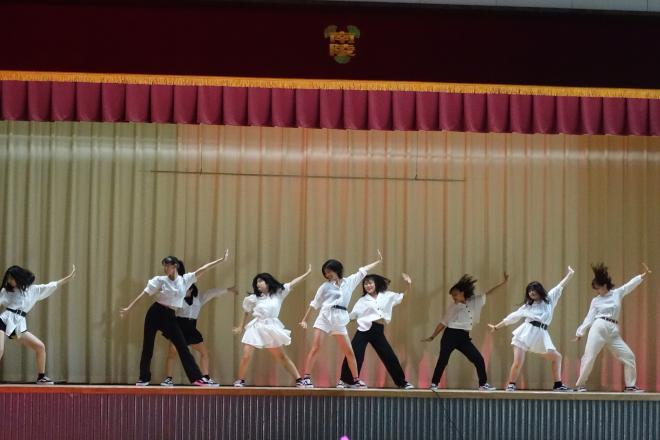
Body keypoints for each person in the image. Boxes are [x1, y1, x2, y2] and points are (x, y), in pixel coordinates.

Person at [120, 250, 228, 386]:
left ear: (175, 266)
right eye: (164, 266)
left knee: (182, 346)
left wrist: (221, 260)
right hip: (155, 312)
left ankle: (196, 378)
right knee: (148, 345)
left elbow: (203, 269)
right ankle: (144, 377)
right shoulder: (160, 280)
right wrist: (129, 308)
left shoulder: (185, 280)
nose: (166, 269)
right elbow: (144, 293)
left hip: (170, 315)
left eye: (168, 266)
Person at [299, 251, 383, 388]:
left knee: (349, 351)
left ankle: (355, 380)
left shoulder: (349, 282)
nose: (327, 274)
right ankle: (306, 378)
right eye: (325, 273)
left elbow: (363, 271)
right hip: (325, 316)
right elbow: (314, 304)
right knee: (315, 347)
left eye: (329, 271)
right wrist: (304, 320)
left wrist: (378, 262)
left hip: (340, 318)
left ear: (336, 269)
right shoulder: (324, 287)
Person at [489, 266, 575, 391]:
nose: (531, 292)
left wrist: (570, 274)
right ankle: (511, 384)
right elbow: (512, 317)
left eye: (533, 290)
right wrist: (496, 327)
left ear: (539, 290)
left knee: (557, 357)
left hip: (541, 335)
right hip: (526, 333)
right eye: (529, 291)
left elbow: (560, 286)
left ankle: (558, 385)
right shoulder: (527, 306)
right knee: (518, 361)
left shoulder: (549, 300)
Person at [573, 263, 652, 392]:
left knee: (629, 356)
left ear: (605, 285)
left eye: (598, 288)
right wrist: (580, 332)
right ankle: (580, 385)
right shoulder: (596, 300)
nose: (597, 291)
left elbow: (629, 285)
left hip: (613, 330)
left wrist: (642, 276)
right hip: (599, 327)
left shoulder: (617, 293)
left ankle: (630, 386)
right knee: (589, 356)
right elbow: (589, 317)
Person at [422, 272, 508, 390]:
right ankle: (434, 384)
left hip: (464, 337)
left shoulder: (474, 301)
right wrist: (433, 336)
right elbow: (443, 323)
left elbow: (489, 293)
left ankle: (483, 385)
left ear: (462, 293)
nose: (453, 297)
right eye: (452, 296)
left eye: (455, 295)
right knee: (443, 359)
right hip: (450, 335)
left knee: (478, 359)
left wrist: (503, 283)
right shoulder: (453, 307)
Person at [160, 259, 237, 386]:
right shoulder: (178, 298)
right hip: (179, 327)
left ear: (192, 289)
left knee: (204, 353)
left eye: (188, 288)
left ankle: (206, 377)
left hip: (191, 328)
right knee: (172, 353)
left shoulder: (198, 298)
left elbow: (212, 293)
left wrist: (228, 289)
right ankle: (168, 379)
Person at [232, 265, 311, 387]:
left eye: (260, 281)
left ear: (268, 282)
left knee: (282, 356)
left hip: (271, 327)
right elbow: (246, 311)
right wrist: (241, 326)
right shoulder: (253, 298)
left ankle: (299, 380)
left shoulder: (279, 293)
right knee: (246, 355)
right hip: (256, 326)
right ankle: (240, 380)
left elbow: (292, 283)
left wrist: (307, 274)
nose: (258, 284)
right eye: (256, 282)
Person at [0, 264, 76, 384]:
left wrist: (68, 278)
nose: (9, 281)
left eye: (11, 278)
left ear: (18, 277)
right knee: (0, 349)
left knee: (40, 347)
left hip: (18, 325)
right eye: (8, 278)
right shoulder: (6, 291)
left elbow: (52, 285)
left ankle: (41, 377)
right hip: (4, 321)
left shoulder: (33, 290)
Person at [338, 273, 414, 389]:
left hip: (377, 330)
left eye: (370, 283)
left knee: (389, 356)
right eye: (365, 284)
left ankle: (402, 382)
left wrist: (409, 284)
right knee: (355, 354)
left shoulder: (387, 296)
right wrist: (338, 319)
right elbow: (353, 315)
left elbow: (403, 297)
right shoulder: (362, 300)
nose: (368, 286)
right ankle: (345, 380)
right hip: (363, 329)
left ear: (376, 284)